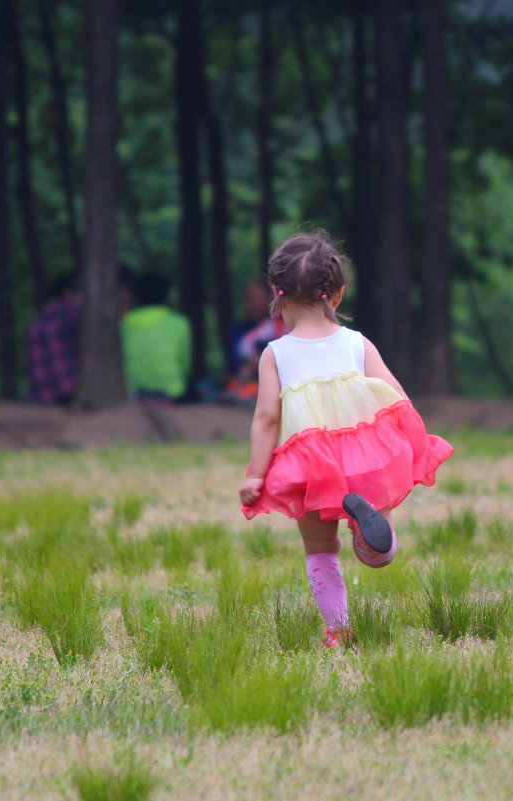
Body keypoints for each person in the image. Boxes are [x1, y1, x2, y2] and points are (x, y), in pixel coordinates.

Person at [238, 232, 453, 647]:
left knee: (319, 548)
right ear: (337, 294)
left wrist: (256, 475)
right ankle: (370, 534)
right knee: (378, 556)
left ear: (277, 297)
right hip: (364, 457)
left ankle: (337, 629)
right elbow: (395, 397)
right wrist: (410, 442)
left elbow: (266, 418)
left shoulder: (275, 354)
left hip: (309, 462)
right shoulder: (356, 343)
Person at [121, 271, 191, 403]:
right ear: (166, 295)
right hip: (171, 391)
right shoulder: (179, 323)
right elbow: (184, 365)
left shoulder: (124, 324)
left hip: (133, 392)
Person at [26, 272, 81, 405]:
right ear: (68, 293)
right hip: (66, 388)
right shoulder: (71, 310)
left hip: (40, 393)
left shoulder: (44, 315)